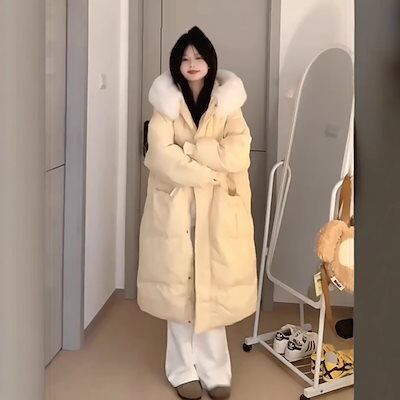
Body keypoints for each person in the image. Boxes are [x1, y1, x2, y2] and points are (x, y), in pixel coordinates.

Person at [137, 26, 257, 400]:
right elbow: (160, 155)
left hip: (218, 210)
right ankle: (181, 369)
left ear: (209, 62)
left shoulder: (228, 103)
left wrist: (191, 150)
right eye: (185, 58)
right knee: (179, 292)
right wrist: (208, 169)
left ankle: (215, 370)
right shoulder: (165, 105)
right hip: (176, 209)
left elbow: (239, 152)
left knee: (211, 288)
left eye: (198, 57)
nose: (192, 63)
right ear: (177, 64)